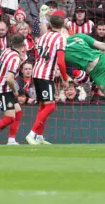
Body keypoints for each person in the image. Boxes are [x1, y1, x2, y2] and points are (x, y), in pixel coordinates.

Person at [26, 14, 71, 145]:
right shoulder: (61, 38)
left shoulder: (43, 36)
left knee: (44, 105)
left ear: (50, 25)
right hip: (45, 75)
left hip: (37, 72)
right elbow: (61, 62)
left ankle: (39, 136)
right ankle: (31, 134)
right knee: (51, 106)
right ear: (62, 26)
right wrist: (65, 78)